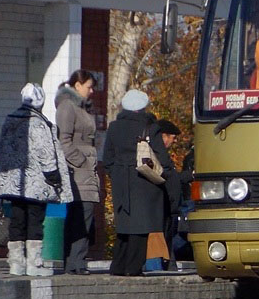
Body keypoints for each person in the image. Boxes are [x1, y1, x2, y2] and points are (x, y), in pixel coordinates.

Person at [0, 83, 73, 276]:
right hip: (36, 183)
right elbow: (45, 153)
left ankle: (16, 263)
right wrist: (54, 176)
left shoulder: (10, 120)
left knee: (17, 221)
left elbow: (3, 151)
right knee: (35, 222)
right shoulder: (38, 123)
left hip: (14, 182)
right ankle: (34, 263)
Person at [103, 89, 174, 277]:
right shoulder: (151, 127)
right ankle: (133, 268)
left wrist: (117, 174)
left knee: (124, 229)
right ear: (143, 107)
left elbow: (107, 158)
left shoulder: (114, 127)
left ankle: (118, 267)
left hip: (121, 182)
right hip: (144, 182)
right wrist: (165, 174)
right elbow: (163, 158)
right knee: (141, 229)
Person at [56, 69, 99, 275]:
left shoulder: (83, 108)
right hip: (78, 171)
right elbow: (63, 140)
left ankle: (76, 262)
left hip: (86, 170)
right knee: (81, 215)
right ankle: (75, 262)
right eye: (89, 87)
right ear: (77, 85)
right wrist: (80, 160)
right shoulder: (68, 107)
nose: (91, 91)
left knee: (83, 216)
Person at [158, 120, 191, 271]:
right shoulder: (159, 154)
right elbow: (169, 177)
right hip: (166, 202)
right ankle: (167, 263)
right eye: (173, 137)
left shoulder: (163, 154)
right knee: (166, 235)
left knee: (169, 235)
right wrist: (188, 176)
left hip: (170, 203)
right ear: (164, 136)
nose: (175, 140)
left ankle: (169, 263)